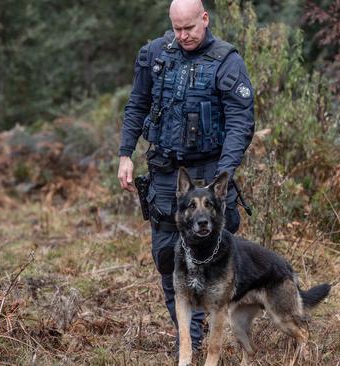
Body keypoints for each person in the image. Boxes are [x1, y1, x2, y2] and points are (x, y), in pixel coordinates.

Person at [117, 0, 255, 353]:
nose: (183, 35)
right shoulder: (155, 54)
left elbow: (241, 121)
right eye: (177, 28)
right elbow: (137, 104)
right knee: (167, 258)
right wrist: (125, 154)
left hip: (209, 172)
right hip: (166, 173)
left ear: (204, 19)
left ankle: (199, 337)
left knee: (210, 256)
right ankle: (187, 336)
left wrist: (223, 175)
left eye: (190, 28)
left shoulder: (227, 61)